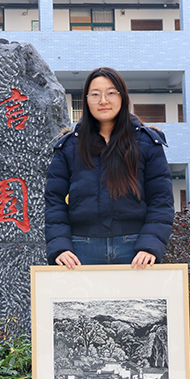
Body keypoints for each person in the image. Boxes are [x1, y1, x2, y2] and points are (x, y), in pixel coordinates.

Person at [44, 67, 174, 269]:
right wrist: (60, 247)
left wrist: (150, 245)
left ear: (123, 97)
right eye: (95, 94)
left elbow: (161, 200)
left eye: (111, 93)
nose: (103, 101)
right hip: (80, 250)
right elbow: (54, 200)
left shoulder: (147, 142)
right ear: (86, 100)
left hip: (135, 249)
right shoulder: (69, 146)